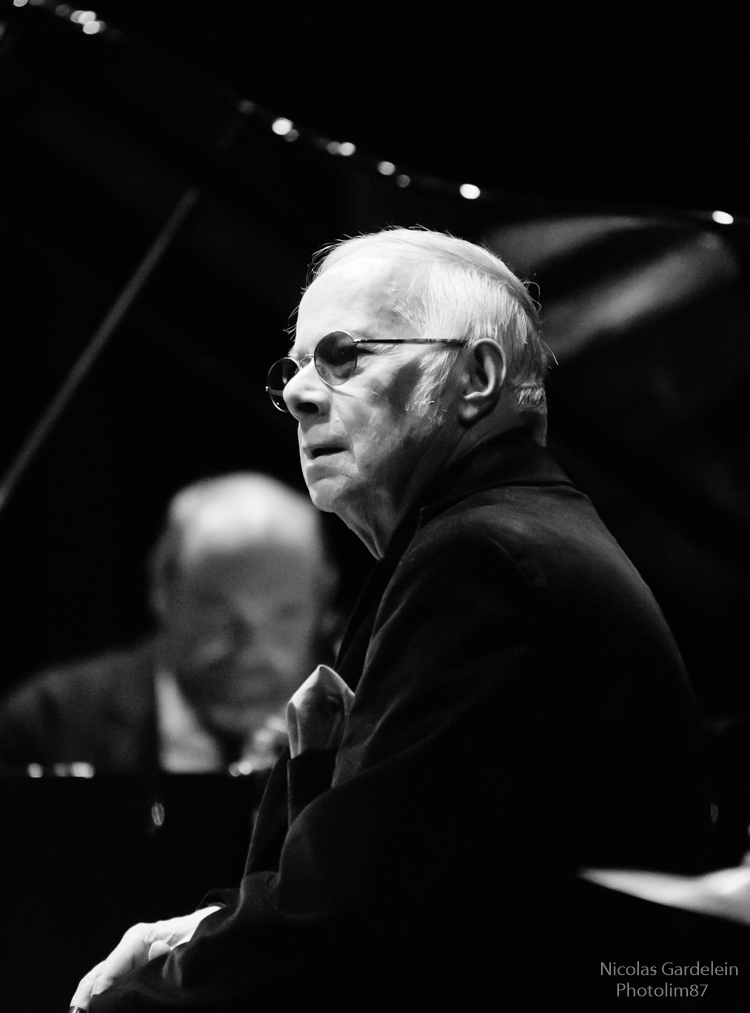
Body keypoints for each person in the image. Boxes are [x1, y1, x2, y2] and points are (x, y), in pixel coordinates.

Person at [71, 228, 711, 1010]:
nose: (300, 394)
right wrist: (206, 931)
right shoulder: (494, 538)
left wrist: (151, 993)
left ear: (476, 378)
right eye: (296, 367)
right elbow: (419, 892)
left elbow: (347, 934)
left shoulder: (481, 562)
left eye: (344, 357)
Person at [0, 473, 337, 775]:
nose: (249, 648)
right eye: (220, 611)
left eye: (285, 613)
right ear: (162, 587)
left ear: (323, 602)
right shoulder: (51, 724)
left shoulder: (359, 728)